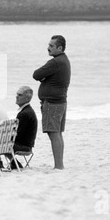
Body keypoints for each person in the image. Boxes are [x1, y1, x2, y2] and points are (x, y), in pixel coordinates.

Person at [33, 35, 71, 170]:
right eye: (48, 45)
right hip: (60, 101)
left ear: (59, 48)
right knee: (57, 133)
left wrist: (43, 78)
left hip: (53, 103)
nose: (48, 48)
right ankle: (59, 165)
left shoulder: (55, 62)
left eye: (51, 46)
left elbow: (36, 74)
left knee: (54, 133)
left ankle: (59, 165)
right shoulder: (63, 60)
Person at [7, 86, 38, 169]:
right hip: (26, 145)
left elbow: (18, 135)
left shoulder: (24, 113)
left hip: (24, 146)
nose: (17, 96)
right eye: (17, 94)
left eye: (20, 95)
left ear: (27, 98)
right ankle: (14, 163)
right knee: (2, 143)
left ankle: (3, 164)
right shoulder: (27, 111)